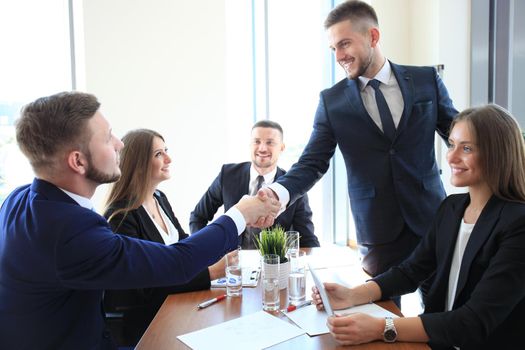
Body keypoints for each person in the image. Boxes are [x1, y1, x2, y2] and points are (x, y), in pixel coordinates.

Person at [0, 91, 280, 350]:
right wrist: (241, 213)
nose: (120, 143)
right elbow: (177, 262)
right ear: (78, 161)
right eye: (108, 137)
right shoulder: (70, 231)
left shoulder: (20, 199)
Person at [260, 0, 458, 284]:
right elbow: (312, 163)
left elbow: (459, 135)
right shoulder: (332, 102)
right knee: (381, 316)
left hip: (431, 218)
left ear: (373, 37)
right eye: (334, 49)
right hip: (378, 231)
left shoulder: (427, 80)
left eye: (344, 44)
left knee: (439, 312)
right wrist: (278, 194)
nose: (339, 55)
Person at [312, 104, 525, 349]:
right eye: (452, 144)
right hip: (436, 341)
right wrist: (352, 295)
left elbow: (473, 322)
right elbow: (411, 271)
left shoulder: (518, 223)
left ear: (497, 153)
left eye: (466, 148)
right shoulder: (452, 208)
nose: (452, 157)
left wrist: (382, 327)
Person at [103, 129, 231, 345]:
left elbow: (184, 247)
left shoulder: (159, 198)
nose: (168, 159)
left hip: (176, 307)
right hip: (148, 324)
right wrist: (210, 272)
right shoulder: (120, 217)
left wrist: (215, 253)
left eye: (166, 151)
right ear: (139, 164)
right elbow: (146, 286)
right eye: (158, 154)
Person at [190, 120, 319, 249]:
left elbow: (307, 239)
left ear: (282, 147)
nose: (262, 148)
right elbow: (198, 217)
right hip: (232, 264)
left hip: (273, 265)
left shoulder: (293, 186)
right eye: (256, 141)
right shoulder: (227, 175)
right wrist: (205, 252)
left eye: (270, 142)